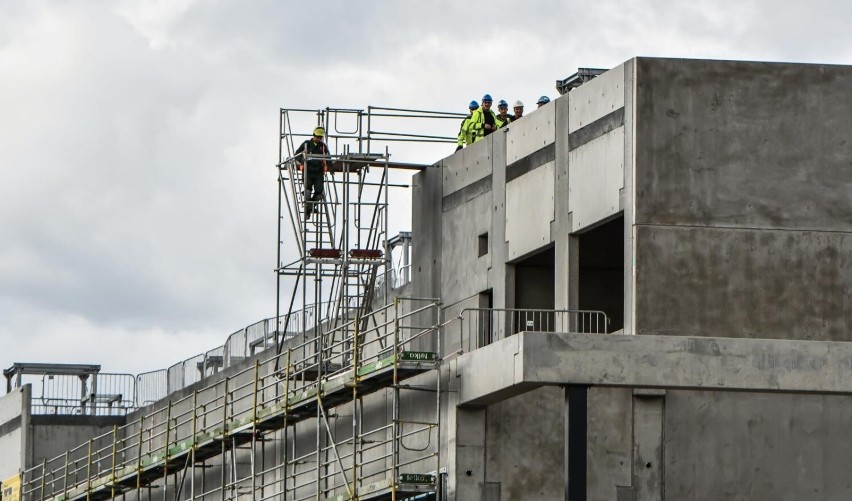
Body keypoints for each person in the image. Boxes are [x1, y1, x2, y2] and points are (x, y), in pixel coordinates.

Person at [294, 126, 330, 220]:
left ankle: (309, 209)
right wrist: (302, 161)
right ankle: (308, 211)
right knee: (307, 191)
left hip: (318, 172)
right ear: (314, 135)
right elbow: (296, 155)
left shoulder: (322, 146)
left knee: (319, 193)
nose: (319, 139)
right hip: (308, 171)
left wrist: (330, 167)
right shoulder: (307, 144)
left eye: (320, 137)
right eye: (318, 137)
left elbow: (328, 157)